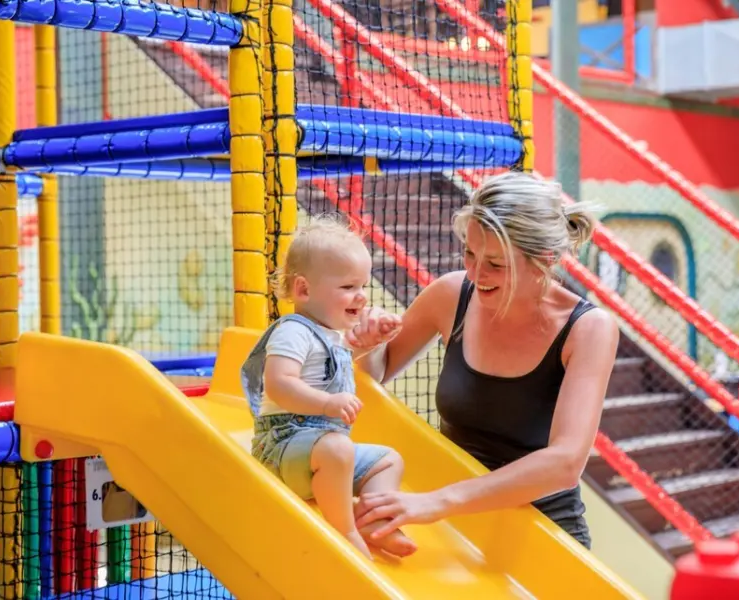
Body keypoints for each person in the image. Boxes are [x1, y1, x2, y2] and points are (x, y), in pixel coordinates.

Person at [348, 171, 619, 549]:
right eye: (470, 254)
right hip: (457, 530)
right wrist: (369, 345)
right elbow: (376, 376)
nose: (476, 274)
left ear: (545, 260)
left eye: (496, 263)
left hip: (542, 534)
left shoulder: (589, 329)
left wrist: (438, 501)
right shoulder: (450, 294)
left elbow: (565, 463)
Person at [240, 216, 417, 560]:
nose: (362, 297)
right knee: (338, 449)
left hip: (317, 453)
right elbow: (279, 383)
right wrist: (325, 403)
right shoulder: (293, 331)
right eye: (349, 287)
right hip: (281, 449)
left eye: (363, 286)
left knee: (387, 460)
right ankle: (345, 530)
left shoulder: (329, 335)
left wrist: (375, 339)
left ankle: (374, 522)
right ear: (304, 290)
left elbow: (341, 356)